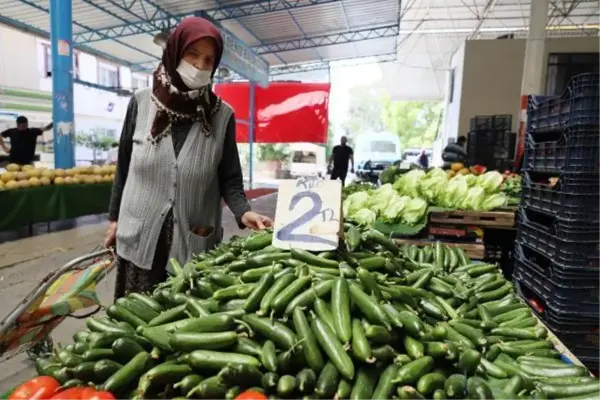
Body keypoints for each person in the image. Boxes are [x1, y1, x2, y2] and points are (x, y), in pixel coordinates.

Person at [104, 16, 273, 300]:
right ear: (174, 52)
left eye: (209, 60)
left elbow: (229, 178)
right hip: (139, 239)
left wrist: (244, 212)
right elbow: (124, 166)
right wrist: (114, 218)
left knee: (181, 328)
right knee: (132, 330)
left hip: (192, 243)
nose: (199, 66)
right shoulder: (142, 103)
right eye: (192, 54)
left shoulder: (222, 116)